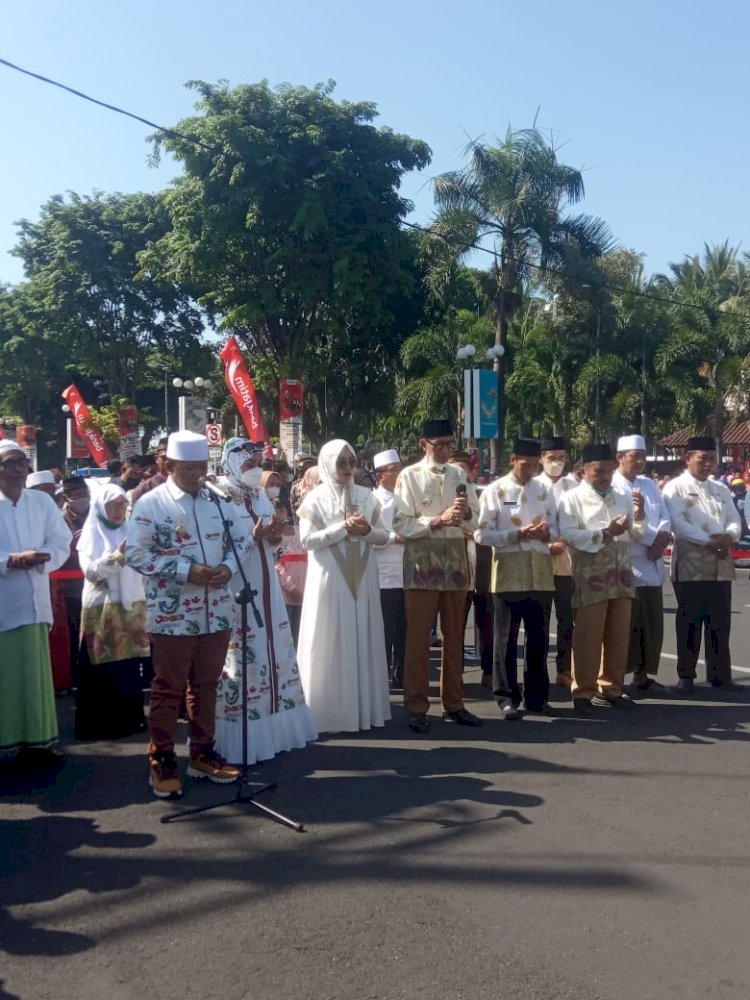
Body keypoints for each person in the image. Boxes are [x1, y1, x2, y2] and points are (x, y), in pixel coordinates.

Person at [127, 430, 250, 798]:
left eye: (202, 467)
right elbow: (136, 554)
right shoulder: (151, 504)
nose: (198, 474)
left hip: (217, 610)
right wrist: (186, 570)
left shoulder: (220, 500)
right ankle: (161, 757)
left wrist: (228, 567)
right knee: (168, 687)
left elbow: (241, 538)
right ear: (171, 466)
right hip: (174, 613)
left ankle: (202, 751)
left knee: (207, 684)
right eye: (190, 468)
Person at [214, 439, 317, 764]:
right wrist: (254, 538)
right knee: (243, 655)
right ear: (231, 463)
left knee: (273, 649)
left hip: (266, 583)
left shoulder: (259, 495)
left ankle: (276, 728)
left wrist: (274, 539)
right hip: (235, 586)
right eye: (248, 462)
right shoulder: (218, 497)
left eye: (258, 461)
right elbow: (219, 548)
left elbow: (273, 546)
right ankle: (240, 736)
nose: (254, 467)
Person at [296, 439, 391, 733]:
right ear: (327, 464)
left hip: (363, 580)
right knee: (329, 637)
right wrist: (342, 529)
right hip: (329, 580)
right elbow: (307, 540)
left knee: (363, 634)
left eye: (351, 462)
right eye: (341, 463)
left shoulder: (368, 497)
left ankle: (363, 709)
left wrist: (367, 530)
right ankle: (327, 712)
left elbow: (383, 537)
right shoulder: (314, 499)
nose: (348, 468)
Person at [392, 419, 481, 732]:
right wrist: (437, 520)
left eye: (449, 443)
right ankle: (416, 706)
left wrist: (466, 513)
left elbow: (476, 515)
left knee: (455, 636)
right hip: (422, 566)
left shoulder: (459, 474)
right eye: (438, 444)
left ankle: (454, 703)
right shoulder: (409, 476)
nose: (445, 449)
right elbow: (401, 523)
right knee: (418, 638)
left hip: (455, 564)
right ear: (423, 444)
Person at [558, 443, 646, 713]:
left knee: (618, 635)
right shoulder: (571, 499)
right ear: (584, 470)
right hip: (590, 574)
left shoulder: (621, 494)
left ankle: (612, 688)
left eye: (609, 470)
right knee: (588, 635)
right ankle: (583, 690)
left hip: (620, 573)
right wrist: (606, 533)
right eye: (599, 471)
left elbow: (637, 533)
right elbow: (568, 534)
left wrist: (640, 516)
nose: (605, 476)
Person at [0, 440, 71, 767]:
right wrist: (10, 561)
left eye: (21, 463)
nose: (17, 470)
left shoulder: (41, 502)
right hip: (4, 605)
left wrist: (43, 558)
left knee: (36, 677)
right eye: (9, 463)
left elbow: (61, 541)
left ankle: (39, 741)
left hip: (35, 603)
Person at [476, 438, 558, 718]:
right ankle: (506, 697)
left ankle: (537, 698)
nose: (531, 470)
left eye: (536, 465)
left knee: (538, 640)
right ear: (513, 460)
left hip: (540, 574)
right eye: (526, 465)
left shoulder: (545, 489)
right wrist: (517, 534)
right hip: (509, 573)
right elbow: (482, 534)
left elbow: (560, 527)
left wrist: (548, 532)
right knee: (506, 640)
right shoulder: (495, 490)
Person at [662, 436, 743, 694]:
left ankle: (721, 675)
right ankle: (686, 675)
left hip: (720, 563)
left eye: (712, 459)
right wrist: (710, 541)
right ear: (688, 458)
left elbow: (734, 519)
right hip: (691, 562)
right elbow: (678, 525)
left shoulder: (720, 488)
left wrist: (729, 536)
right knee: (690, 621)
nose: (709, 464)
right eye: (703, 458)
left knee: (720, 621)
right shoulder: (674, 488)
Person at [74, 484, 151, 740]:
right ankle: (100, 725)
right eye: (113, 505)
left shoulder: (132, 531)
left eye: (122, 505)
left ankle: (130, 721)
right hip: (102, 608)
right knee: (101, 665)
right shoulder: (91, 534)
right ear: (100, 506)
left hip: (131, 605)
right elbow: (93, 572)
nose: (118, 511)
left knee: (129, 666)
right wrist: (118, 556)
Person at [612, 434, 672, 693]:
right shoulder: (612, 486)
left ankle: (642, 675)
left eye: (642, 457)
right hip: (628, 563)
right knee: (626, 625)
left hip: (653, 563)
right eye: (633, 456)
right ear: (620, 458)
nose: (639, 461)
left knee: (651, 624)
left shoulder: (649, 484)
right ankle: (616, 680)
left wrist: (663, 537)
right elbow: (628, 523)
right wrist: (653, 540)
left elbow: (664, 516)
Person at [535, 436, 578, 689]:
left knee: (566, 619)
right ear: (541, 459)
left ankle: (565, 670)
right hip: (538, 560)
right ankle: (538, 672)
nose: (556, 463)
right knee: (539, 620)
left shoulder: (574, 486)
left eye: (561, 458)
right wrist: (546, 545)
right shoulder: (530, 485)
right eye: (551, 458)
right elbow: (515, 514)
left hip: (567, 562)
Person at [372, 448, 406, 688]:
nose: (397, 474)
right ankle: (380, 679)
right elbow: (369, 536)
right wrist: (393, 537)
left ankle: (403, 675)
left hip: (409, 575)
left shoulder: (407, 497)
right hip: (384, 576)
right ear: (380, 475)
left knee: (407, 633)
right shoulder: (372, 501)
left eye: (399, 469)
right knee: (385, 632)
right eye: (393, 470)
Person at [130, 437, 168, 506]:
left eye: (174, 458)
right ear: (156, 459)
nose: (169, 462)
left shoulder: (190, 487)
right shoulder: (142, 491)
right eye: (165, 458)